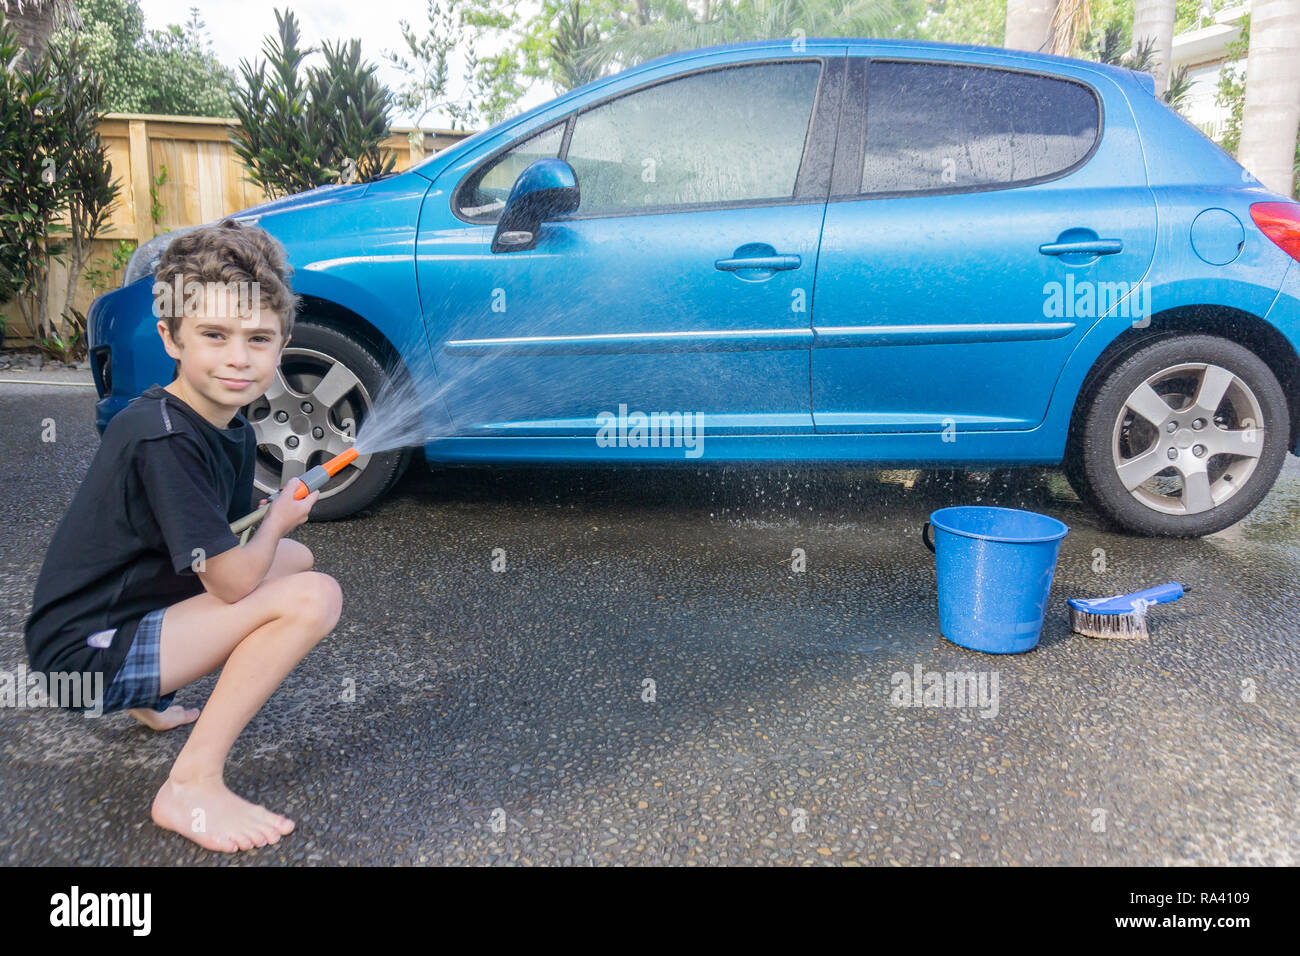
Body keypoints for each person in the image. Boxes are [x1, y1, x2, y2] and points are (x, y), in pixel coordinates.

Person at [23, 218, 342, 853]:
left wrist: (274, 513)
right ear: (171, 336)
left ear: (282, 347)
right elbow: (227, 581)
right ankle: (190, 786)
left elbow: (220, 530)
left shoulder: (229, 428)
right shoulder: (160, 435)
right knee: (313, 595)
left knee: (296, 557)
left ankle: (149, 695)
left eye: (258, 339)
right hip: (77, 661)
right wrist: (276, 519)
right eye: (214, 335)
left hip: (119, 619)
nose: (237, 357)